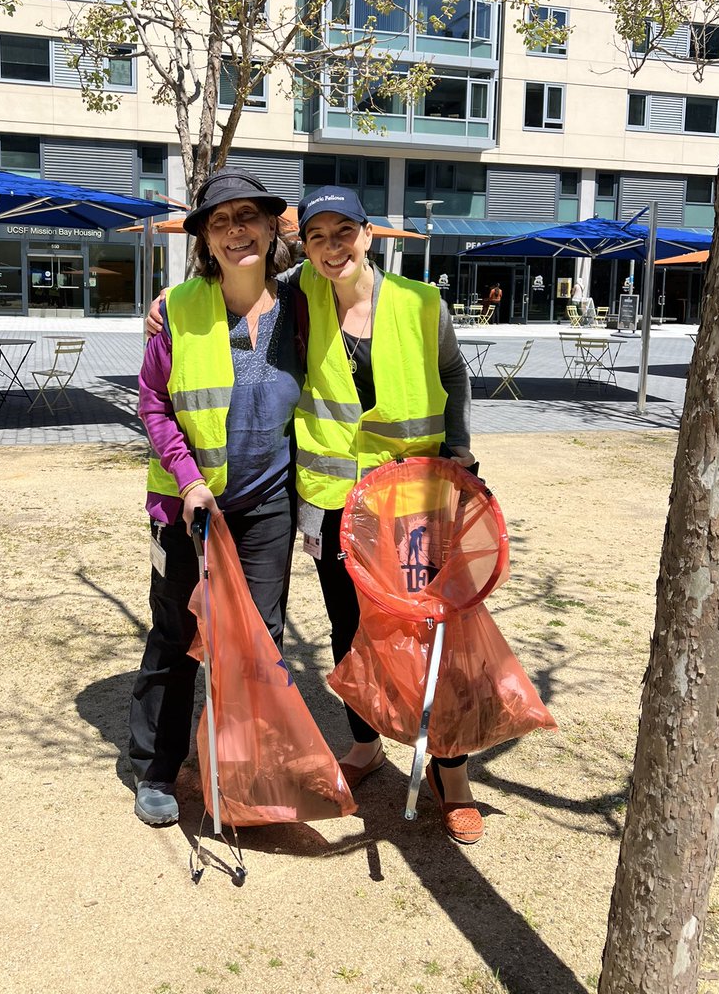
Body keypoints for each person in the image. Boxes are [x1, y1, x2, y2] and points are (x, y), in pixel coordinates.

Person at [293, 185, 483, 846]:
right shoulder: (298, 298)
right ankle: (366, 742)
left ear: (369, 235)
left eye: (342, 232)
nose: (330, 247)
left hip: (413, 496)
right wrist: (165, 305)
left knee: (433, 636)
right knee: (350, 629)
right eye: (317, 236)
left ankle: (451, 777)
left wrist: (458, 456)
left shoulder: (421, 304)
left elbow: (456, 376)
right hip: (334, 502)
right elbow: (230, 284)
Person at [130, 168, 303, 827]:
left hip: (265, 508)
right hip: (186, 505)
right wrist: (189, 479)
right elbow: (152, 404)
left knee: (259, 641)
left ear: (269, 228)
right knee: (176, 638)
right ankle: (157, 767)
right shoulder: (177, 310)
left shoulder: (301, 308)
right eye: (220, 221)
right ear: (204, 238)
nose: (237, 231)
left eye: (248, 218)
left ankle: (238, 767)